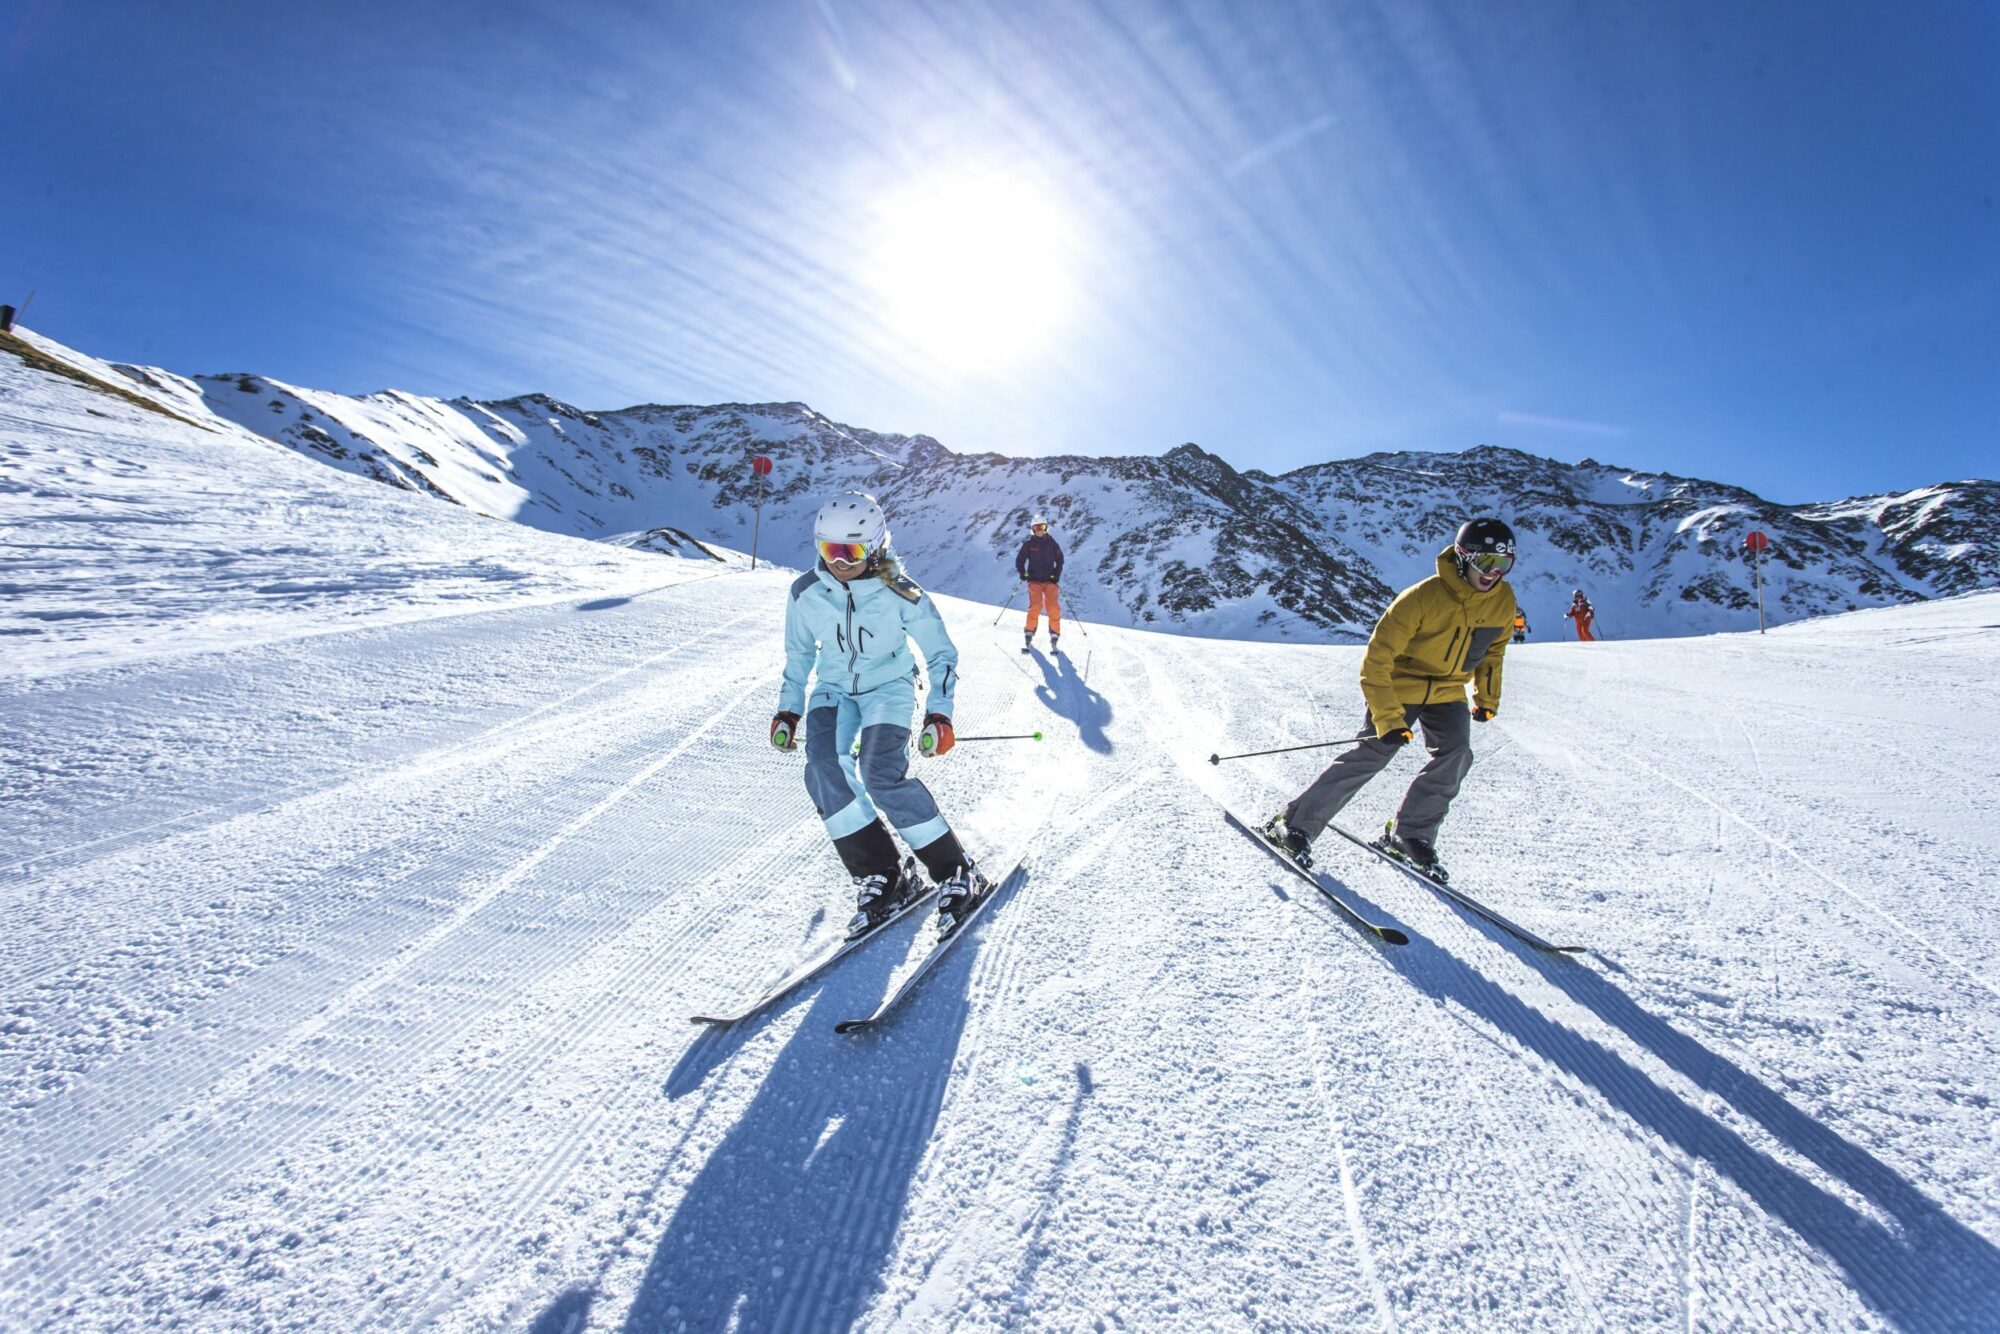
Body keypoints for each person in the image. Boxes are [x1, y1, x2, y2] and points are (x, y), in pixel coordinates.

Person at [770, 493, 989, 937]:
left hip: (888, 688)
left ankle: (957, 871)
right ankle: (884, 874)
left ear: (873, 547)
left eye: (849, 552)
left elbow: (940, 653)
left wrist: (939, 716)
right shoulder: (805, 593)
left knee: (880, 773)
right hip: (833, 690)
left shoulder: (900, 592)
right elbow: (798, 656)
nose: (838, 562)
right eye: (828, 550)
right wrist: (788, 711)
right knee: (824, 769)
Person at [1262, 518, 1518, 882]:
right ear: (1463, 557)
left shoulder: (1503, 601)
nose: (1493, 574)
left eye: (1503, 565)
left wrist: (1486, 697)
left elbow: (1493, 653)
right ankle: (1293, 824)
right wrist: (1388, 718)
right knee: (1372, 753)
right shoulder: (1421, 598)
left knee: (1457, 754)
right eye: (1486, 563)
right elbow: (1377, 660)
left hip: (1447, 690)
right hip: (1401, 683)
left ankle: (1410, 836)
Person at [1015, 513, 1064, 653]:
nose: (1039, 530)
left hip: (1050, 580)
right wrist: (1022, 573)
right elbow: (1020, 560)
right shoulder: (1029, 545)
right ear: (1032, 529)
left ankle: (1054, 634)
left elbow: (1060, 560)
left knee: (1053, 607)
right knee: (1035, 606)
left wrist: (1056, 575)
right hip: (1034, 580)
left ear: (1046, 527)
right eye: (1036, 527)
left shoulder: (1052, 544)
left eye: (1042, 526)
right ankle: (1029, 632)